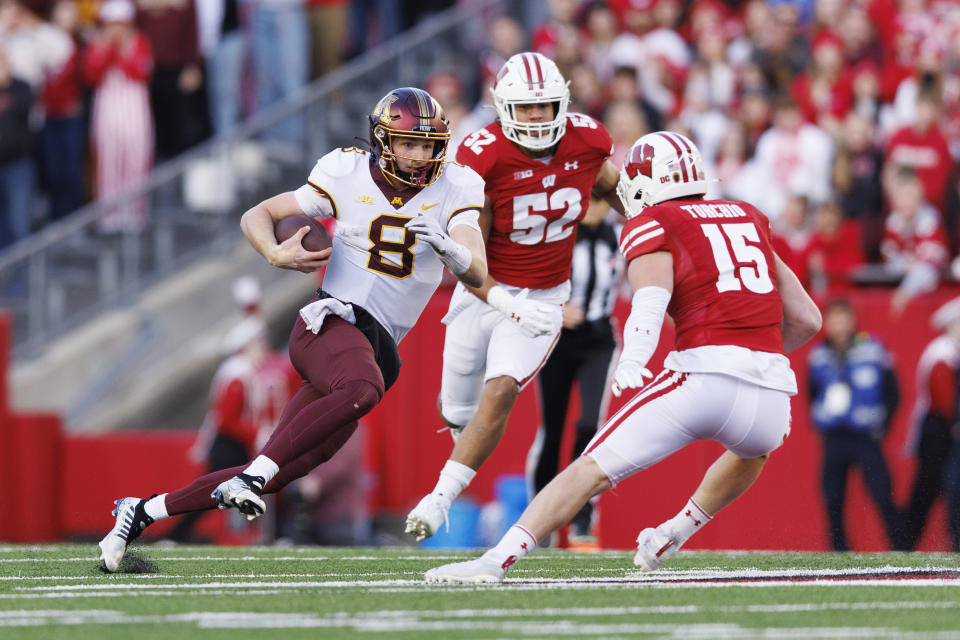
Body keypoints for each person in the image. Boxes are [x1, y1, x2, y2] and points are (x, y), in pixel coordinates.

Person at [98, 86, 488, 572]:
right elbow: (257, 214)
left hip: (380, 345)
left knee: (280, 468)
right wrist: (275, 252)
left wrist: (454, 251)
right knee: (359, 392)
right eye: (406, 142)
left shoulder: (458, 185)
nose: (417, 155)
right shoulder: (345, 172)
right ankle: (250, 480)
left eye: (427, 145)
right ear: (382, 140)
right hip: (331, 323)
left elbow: (477, 267)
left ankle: (140, 511)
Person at [423, 131, 822, 583]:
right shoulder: (750, 216)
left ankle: (495, 561)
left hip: (702, 378)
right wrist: (753, 355)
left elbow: (649, 304)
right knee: (752, 450)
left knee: (588, 469)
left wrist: (634, 359)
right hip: (771, 391)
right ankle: (675, 531)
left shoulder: (656, 221)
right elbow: (807, 319)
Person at [404, 52, 625, 543]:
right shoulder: (482, 156)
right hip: (483, 292)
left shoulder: (587, 140)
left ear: (561, 104)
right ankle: (460, 430)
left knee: (501, 390)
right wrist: (506, 302)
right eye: (525, 108)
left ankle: (439, 498)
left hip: (546, 295)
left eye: (545, 106)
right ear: (503, 107)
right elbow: (470, 264)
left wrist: (655, 226)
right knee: (457, 410)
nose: (536, 117)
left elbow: (616, 190)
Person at [527, 197, 623, 550]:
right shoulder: (559, 235)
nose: (597, 207)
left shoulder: (618, 236)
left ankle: (583, 519)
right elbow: (530, 282)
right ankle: (540, 521)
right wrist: (554, 309)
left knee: (588, 426)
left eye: (602, 199)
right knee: (552, 431)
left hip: (598, 340)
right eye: (592, 198)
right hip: (558, 340)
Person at [807, 298, 906, 551]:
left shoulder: (873, 349)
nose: (838, 324)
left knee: (882, 493)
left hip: (866, 435)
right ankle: (839, 552)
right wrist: (820, 424)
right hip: (835, 435)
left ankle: (900, 548)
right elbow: (812, 393)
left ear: (852, 320)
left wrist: (883, 425)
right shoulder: (818, 355)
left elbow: (893, 392)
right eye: (833, 319)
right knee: (833, 497)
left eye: (843, 318)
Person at [901, 297, 960, 549]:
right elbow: (943, 397)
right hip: (939, 431)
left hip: (946, 428)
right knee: (928, 487)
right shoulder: (943, 352)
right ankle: (905, 542)